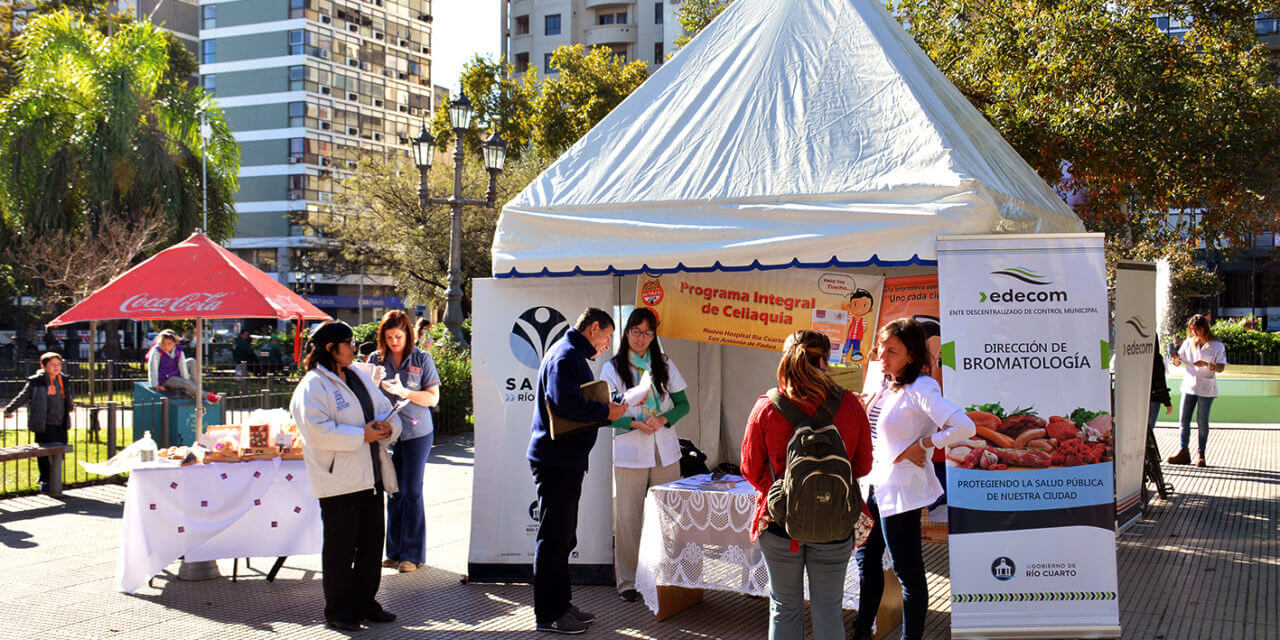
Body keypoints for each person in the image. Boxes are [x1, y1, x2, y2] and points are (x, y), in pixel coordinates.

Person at [740, 330, 872, 640]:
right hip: (836, 523)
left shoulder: (767, 406)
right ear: (825, 360)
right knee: (828, 608)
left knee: (784, 607)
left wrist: (782, 493)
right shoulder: (850, 404)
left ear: (786, 359)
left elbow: (749, 467)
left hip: (780, 523)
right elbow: (863, 467)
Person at [852, 318, 976, 640]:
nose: (883, 356)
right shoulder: (882, 383)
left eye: (892, 351)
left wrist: (924, 444)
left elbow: (965, 428)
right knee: (866, 561)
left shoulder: (922, 387)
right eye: (881, 349)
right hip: (872, 485)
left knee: (908, 572)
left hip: (900, 492)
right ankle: (862, 631)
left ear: (911, 355)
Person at [289, 321, 402, 632]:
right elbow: (316, 433)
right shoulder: (313, 386)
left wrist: (388, 428)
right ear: (330, 348)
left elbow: (383, 408)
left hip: (371, 476)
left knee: (370, 546)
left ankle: (365, 603)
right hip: (339, 482)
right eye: (349, 342)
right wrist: (361, 435)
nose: (354, 348)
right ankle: (338, 610)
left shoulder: (357, 377)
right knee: (340, 550)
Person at [527, 308, 627, 635]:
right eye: (607, 336)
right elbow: (563, 404)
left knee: (564, 538)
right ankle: (549, 614)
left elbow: (574, 401)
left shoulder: (572, 355)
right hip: (556, 461)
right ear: (593, 327)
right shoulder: (565, 355)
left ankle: (562, 606)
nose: (606, 344)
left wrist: (604, 408)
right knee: (554, 539)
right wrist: (605, 410)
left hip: (566, 460)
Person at [599, 307, 690, 603]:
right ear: (626, 333)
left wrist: (663, 419)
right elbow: (607, 412)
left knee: (668, 515)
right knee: (628, 518)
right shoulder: (612, 368)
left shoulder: (664, 364)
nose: (641, 337)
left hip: (664, 451)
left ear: (654, 335)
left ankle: (665, 576)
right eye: (636, 331)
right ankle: (627, 581)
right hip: (630, 450)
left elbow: (682, 405)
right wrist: (633, 422)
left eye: (648, 332)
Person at [367, 310, 440, 574]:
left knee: (411, 490)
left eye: (398, 336)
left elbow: (433, 398)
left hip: (417, 432)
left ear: (408, 333)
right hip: (387, 433)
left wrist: (406, 392)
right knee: (393, 490)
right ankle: (394, 551)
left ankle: (412, 554)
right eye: (388, 337)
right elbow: (366, 395)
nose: (393, 341)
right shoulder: (376, 359)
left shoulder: (422, 358)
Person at [4, 352, 73, 492]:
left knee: (60, 453)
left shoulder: (62, 379)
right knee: (44, 454)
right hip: (44, 423)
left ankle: (56, 481)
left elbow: (67, 396)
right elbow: (23, 396)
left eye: (58, 364)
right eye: (52, 365)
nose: (56, 367)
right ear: (43, 366)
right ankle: (45, 480)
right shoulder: (37, 381)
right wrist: (9, 409)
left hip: (61, 422)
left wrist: (71, 406)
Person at [1167, 314, 1227, 467]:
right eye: (1192, 330)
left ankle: (1201, 454)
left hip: (1206, 389)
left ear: (1204, 329)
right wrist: (1175, 359)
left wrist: (1208, 364)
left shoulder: (1217, 346)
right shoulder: (1188, 343)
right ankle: (1183, 452)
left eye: (1197, 330)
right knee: (1183, 420)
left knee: (1202, 422)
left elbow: (1221, 367)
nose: (1194, 333)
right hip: (1189, 386)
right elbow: (1178, 361)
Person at [147, 329, 220, 403]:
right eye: (163, 343)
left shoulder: (178, 351)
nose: (166, 346)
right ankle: (207, 395)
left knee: (192, 361)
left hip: (174, 372)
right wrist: (154, 384)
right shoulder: (157, 351)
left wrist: (185, 383)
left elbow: (182, 367)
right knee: (186, 383)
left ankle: (195, 389)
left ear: (175, 343)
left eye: (169, 344)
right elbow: (153, 367)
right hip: (164, 378)